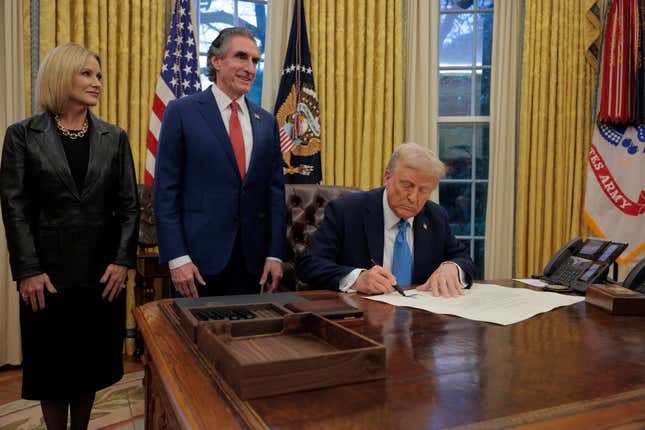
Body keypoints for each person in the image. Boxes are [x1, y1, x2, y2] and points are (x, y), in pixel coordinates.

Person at [0, 43, 139, 429]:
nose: (97, 82)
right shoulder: (23, 136)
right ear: (63, 76)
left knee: (89, 366)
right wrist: (27, 270)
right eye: (87, 74)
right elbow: (15, 209)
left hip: (101, 275)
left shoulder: (115, 137)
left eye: (98, 75)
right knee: (52, 368)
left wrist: (122, 260)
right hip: (47, 276)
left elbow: (130, 206)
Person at [153, 27, 285, 297]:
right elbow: (166, 193)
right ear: (216, 61)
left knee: (246, 339)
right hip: (195, 265)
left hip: (250, 265)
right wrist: (177, 257)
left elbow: (274, 196)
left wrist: (275, 255)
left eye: (254, 61)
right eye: (241, 57)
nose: (250, 68)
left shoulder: (267, 123)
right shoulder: (182, 112)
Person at [296, 143, 474, 297]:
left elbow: (463, 258)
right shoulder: (346, 211)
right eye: (407, 185)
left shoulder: (436, 216)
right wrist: (357, 279)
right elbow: (310, 265)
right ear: (387, 178)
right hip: (360, 318)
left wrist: (453, 267)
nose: (413, 197)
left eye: (423, 190)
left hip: (420, 319)